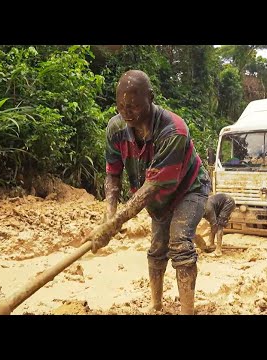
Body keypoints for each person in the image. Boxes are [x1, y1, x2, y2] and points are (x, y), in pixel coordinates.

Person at [88, 70, 211, 315]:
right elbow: (113, 173)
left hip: (189, 190)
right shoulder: (116, 129)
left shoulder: (173, 131)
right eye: (121, 106)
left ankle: (187, 310)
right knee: (157, 247)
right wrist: (108, 214)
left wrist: (115, 225)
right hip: (158, 199)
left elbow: (153, 186)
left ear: (151, 98)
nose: (126, 112)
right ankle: (156, 305)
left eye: (133, 106)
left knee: (179, 241)